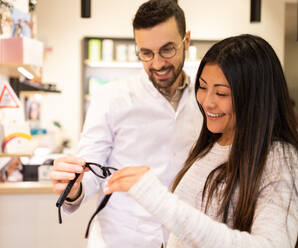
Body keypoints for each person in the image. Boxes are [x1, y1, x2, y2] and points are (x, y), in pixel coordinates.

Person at [104, 34, 298, 247]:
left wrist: (160, 201)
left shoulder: (278, 158)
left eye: (222, 93)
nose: (207, 102)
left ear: (254, 96)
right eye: (203, 87)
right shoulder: (211, 144)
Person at [50, 0, 203, 247]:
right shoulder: (111, 98)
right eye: (146, 53)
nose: (157, 63)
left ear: (186, 41)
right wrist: (75, 187)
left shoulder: (206, 98)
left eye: (167, 49)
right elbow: (91, 168)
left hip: (186, 236)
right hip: (123, 238)